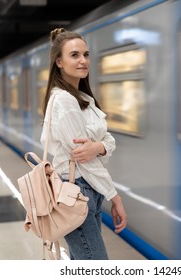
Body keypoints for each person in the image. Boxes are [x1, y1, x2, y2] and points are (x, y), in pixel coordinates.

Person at [40, 28, 127, 260]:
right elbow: (84, 159)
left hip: (89, 191)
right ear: (59, 61)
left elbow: (106, 140)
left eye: (86, 55)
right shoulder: (65, 101)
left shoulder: (85, 99)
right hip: (75, 190)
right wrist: (115, 197)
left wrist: (98, 147)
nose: (83, 61)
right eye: (75, 55)